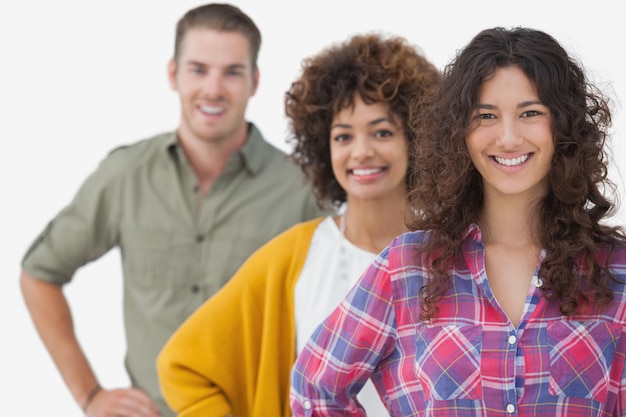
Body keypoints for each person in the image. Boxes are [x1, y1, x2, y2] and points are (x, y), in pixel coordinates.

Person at [290, 26, 626, 416]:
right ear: (459, 133)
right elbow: (315, 388)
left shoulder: (616, 272)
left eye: (530, 113)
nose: (508, 137)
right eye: (485, 116)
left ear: (564, 125)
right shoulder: (407, 267)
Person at [19, 4, 326, 417]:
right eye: (198, 69)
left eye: (232, 72)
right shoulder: (125, 175)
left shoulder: (302, 188)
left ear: (254, 81)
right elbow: (39, 273)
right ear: (173, 74)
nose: (214, 89)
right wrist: (90, 395)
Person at [156, 33, 440, 417]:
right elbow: (182, 365)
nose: (361, 151)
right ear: (324, 147)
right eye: (343, 136)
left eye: (382, 132)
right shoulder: (293, 258)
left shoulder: (455, 254)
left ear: (418, 138)